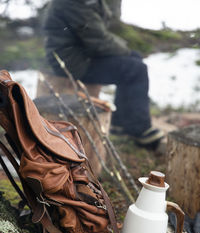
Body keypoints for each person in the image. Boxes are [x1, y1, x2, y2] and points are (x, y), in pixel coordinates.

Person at [43, 0, 164, 148]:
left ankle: (120, 124)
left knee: (134, 61)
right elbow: (97, 38)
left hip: (80, 53)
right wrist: (126, 50)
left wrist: (128, 52)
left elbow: (104, 24)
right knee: (135, 69)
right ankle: (139, 129)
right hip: (72, 62)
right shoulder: (73, 3)